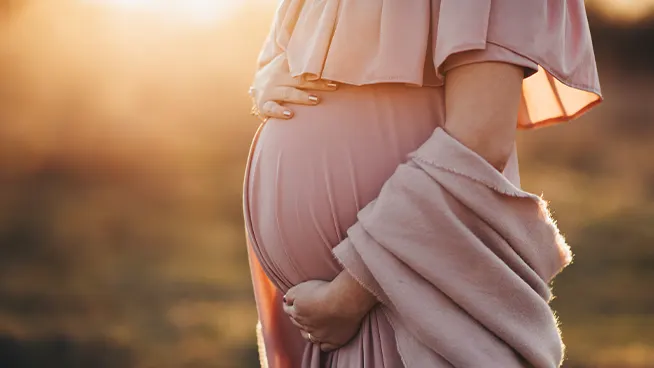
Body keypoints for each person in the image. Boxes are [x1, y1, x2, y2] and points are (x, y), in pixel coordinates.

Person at [243, 1, 602, 367]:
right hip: (316, 319)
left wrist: (347, 296)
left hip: (406, 304)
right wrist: (266, 77)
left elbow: (478, 142)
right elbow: (285, 50)